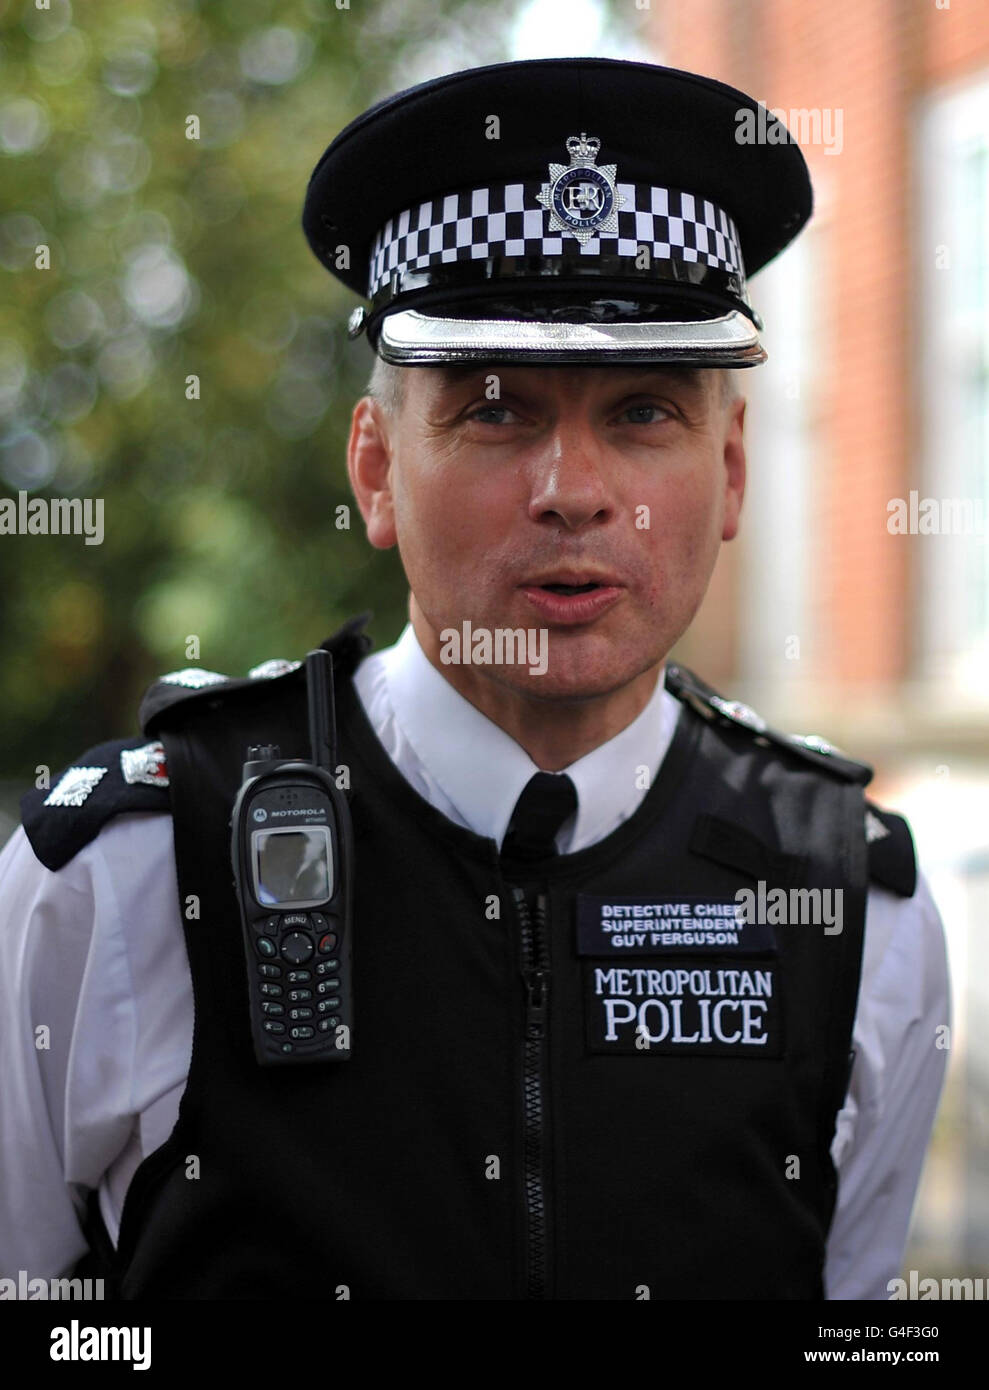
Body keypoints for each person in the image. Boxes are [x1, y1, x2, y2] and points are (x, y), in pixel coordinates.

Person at [0, 57, 949, 1301]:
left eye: (643, 411)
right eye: (495, 410)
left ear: (729, 473)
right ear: (377, 469)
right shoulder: (122, 880)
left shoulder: (853, 913)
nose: (572, 486)